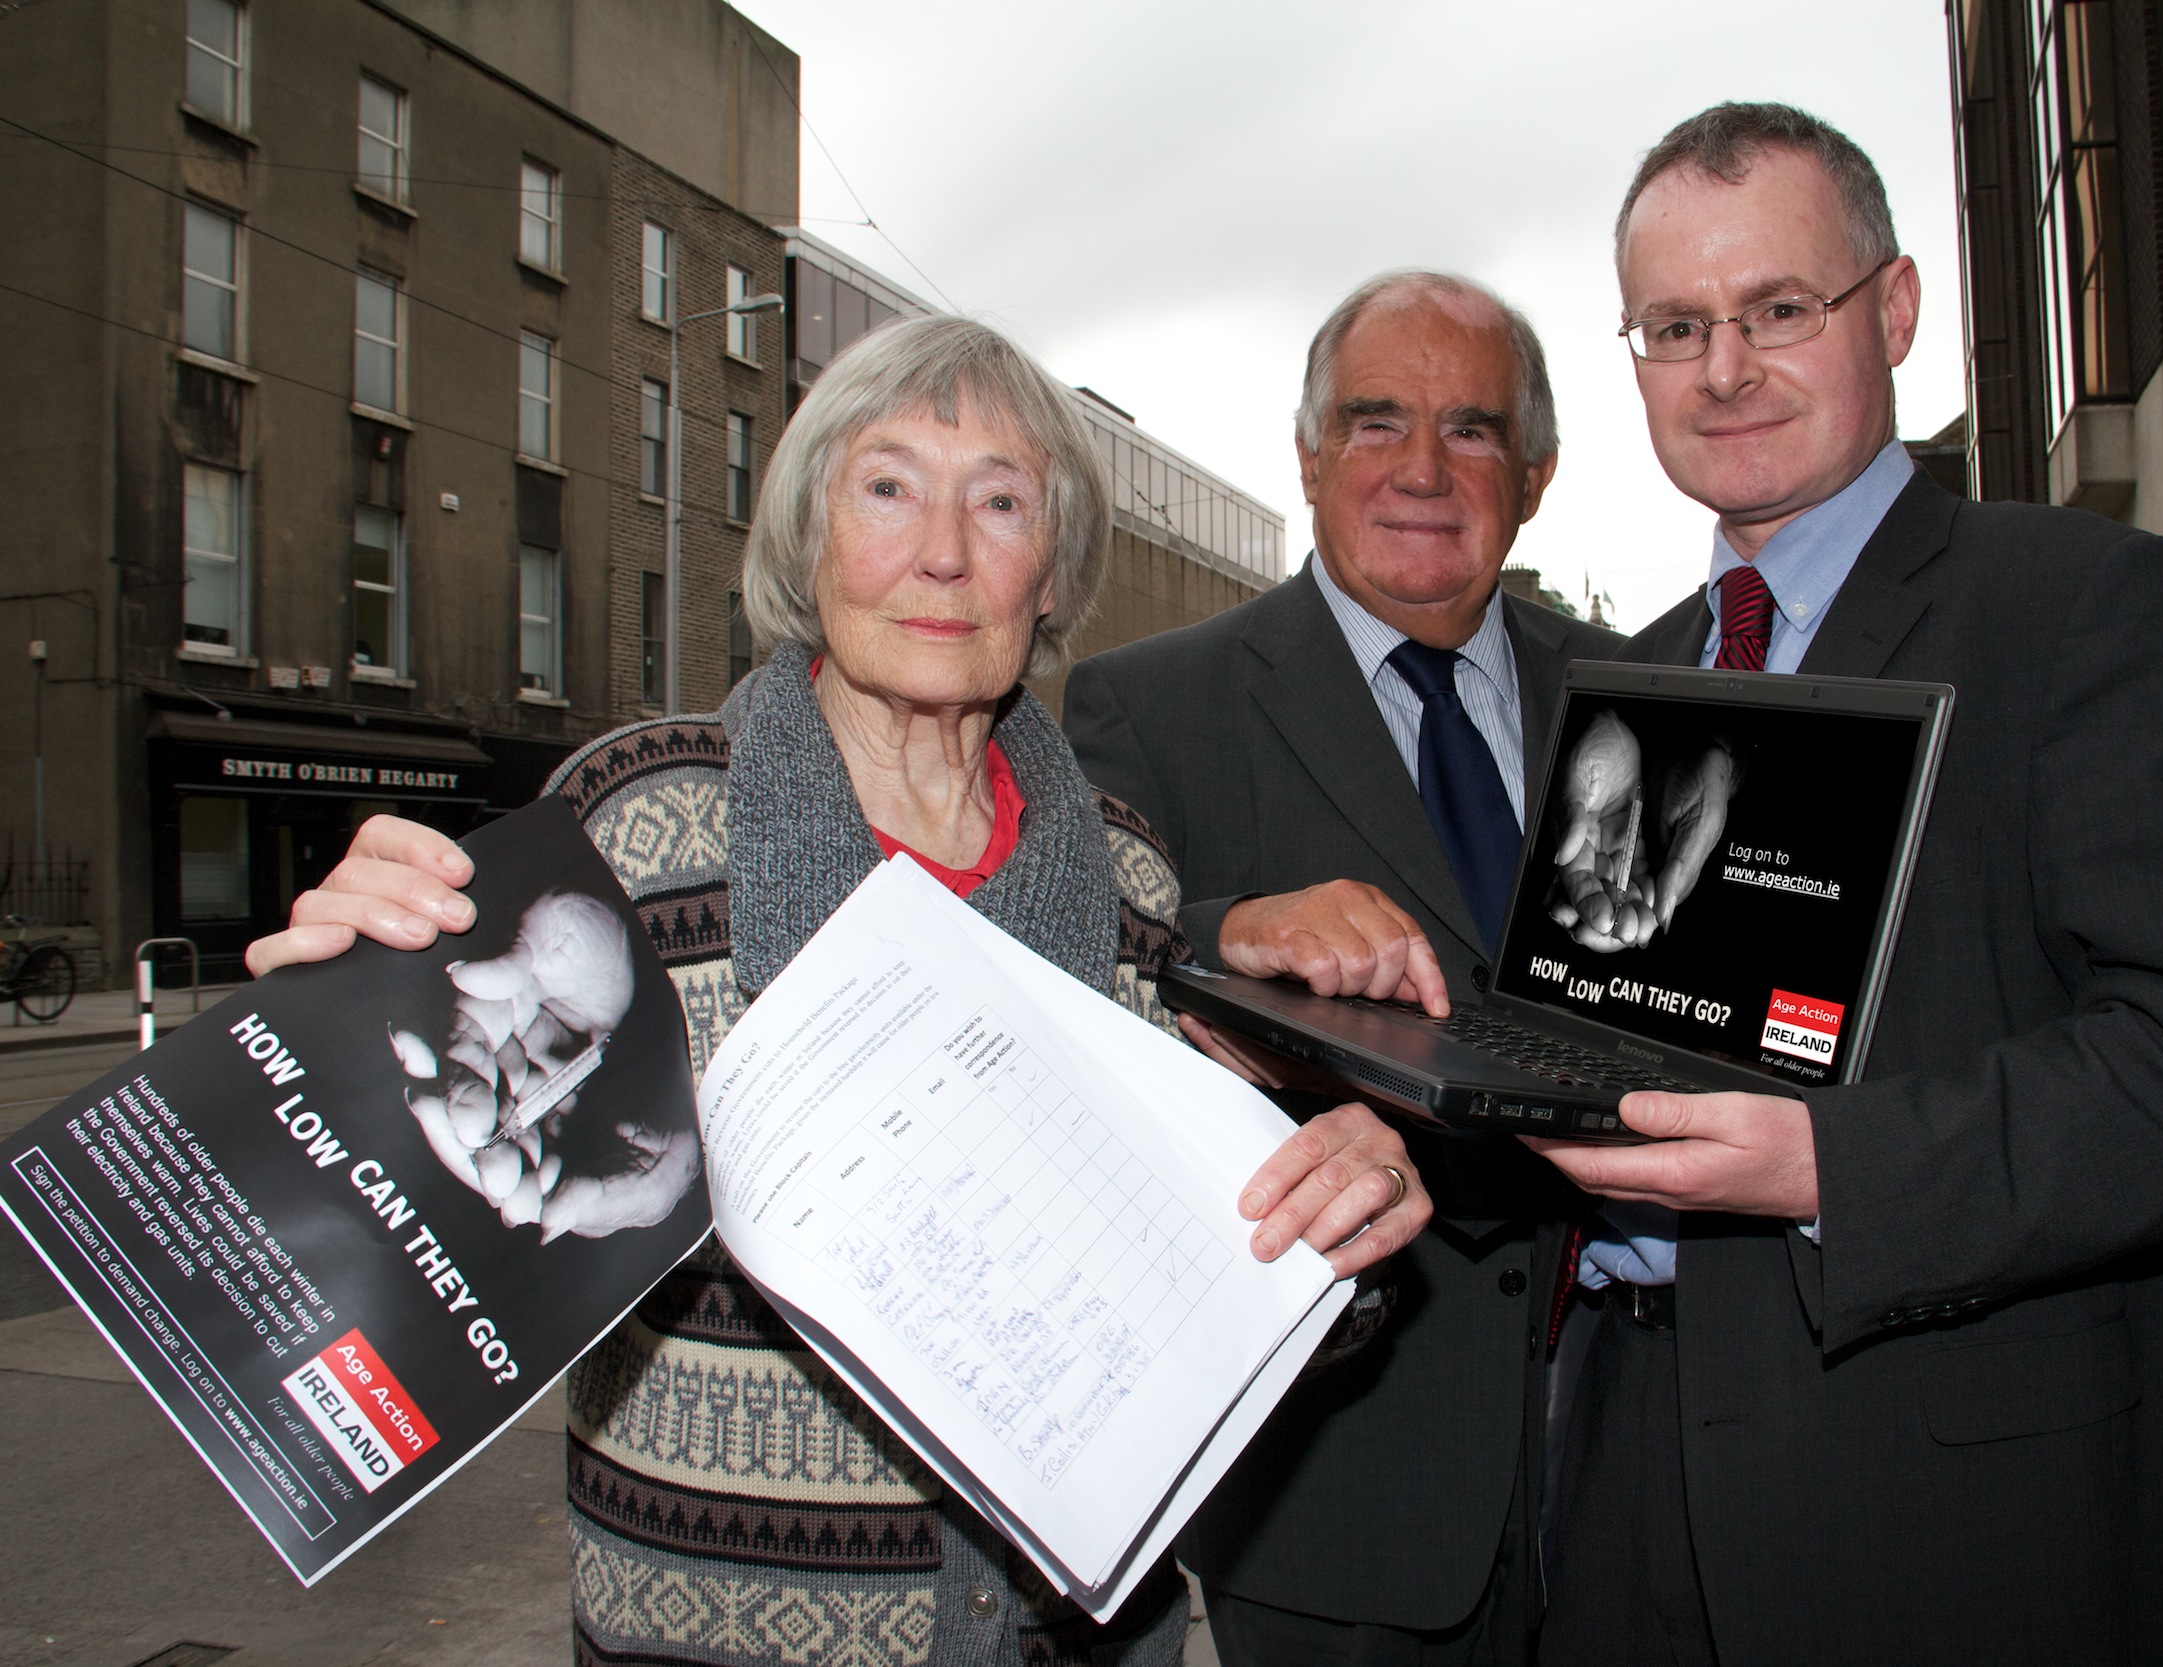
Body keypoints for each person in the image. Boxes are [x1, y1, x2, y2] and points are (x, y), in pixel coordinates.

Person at [244, 315, 1435, 1667]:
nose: (944, 551)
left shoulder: (1131, 878)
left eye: (1001, 500)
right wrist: (338, 1024)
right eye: (888, 487)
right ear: (810, 539)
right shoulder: (634, 823)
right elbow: (406, 1222)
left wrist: (1339, 1226)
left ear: (1051, 576)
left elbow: (1197, 1309)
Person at [1526, 103, 2163, 1666]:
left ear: (1893, 313)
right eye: (1675, 327)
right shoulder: (1635, 678)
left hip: (1955, 1522)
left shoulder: (2087, 607)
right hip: (1626, 1499)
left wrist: (1832, 1164)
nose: (1725, 369)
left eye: (1778, 311)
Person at [1064, 271, 1623, 1665]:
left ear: (1539, 474)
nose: (1424, 471)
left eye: (1474, 431)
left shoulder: (1636, 698)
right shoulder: (1152, 703)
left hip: (1633, 1470)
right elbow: (1068, 977)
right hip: (1344, 1497)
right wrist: (1227, 924)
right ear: (1308, 455)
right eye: (1375, 424)